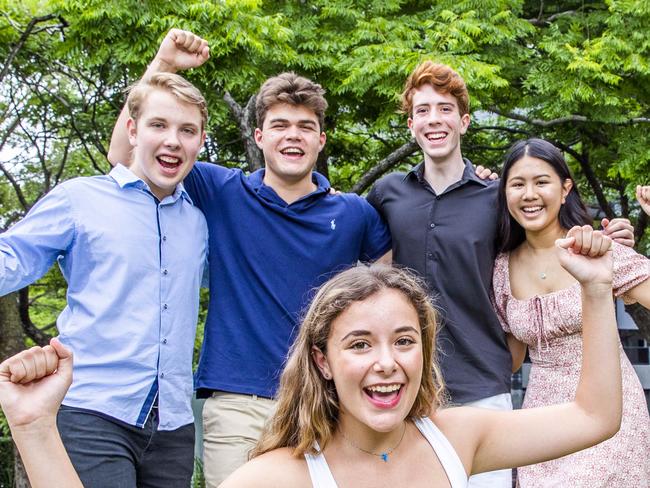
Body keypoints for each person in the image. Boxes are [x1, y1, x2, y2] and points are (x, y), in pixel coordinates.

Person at [2, 244, 622, 487]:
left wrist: (596, 290)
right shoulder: (278, 479)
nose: (387, 364)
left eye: (405, 340)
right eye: (359, 345)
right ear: (322, 361)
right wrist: (34, 429)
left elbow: (595, 416)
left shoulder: (459, 437)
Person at [107, 29, 392, 486]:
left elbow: (388, 300)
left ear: (322, 140)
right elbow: (125, 157)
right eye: (280, 125)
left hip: (327, 402)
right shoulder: (221, 191)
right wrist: (164, 64)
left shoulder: (355, 213)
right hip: (237, 405)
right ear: (260, 136)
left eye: (305, 127)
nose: (292, 136)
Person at [366, 61, 634, 487]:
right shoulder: (387, 194)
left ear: (464, 121)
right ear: (411, 123)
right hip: (405, 389)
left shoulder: (498, 197)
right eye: (422, 111)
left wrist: (612, 240)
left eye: (445, 109)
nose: (434, 119)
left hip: (483, 388)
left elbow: (544, 245)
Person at [0, 73, 209, 487]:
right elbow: (11, 257)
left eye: (187, 130)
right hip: (92, 413)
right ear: (132, 130)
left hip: (174, 425)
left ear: (200, 141)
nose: (173, 140)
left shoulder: (199, 222)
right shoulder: (80, 199)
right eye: (159, 125)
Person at [493, 138, 650, 487]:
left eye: (541, 182)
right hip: (541, 420)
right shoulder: (500, 268)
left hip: (612, 412)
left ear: (565, 189)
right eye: (517, 184)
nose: (529, 194)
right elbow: (513, 359)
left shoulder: (596, 248)